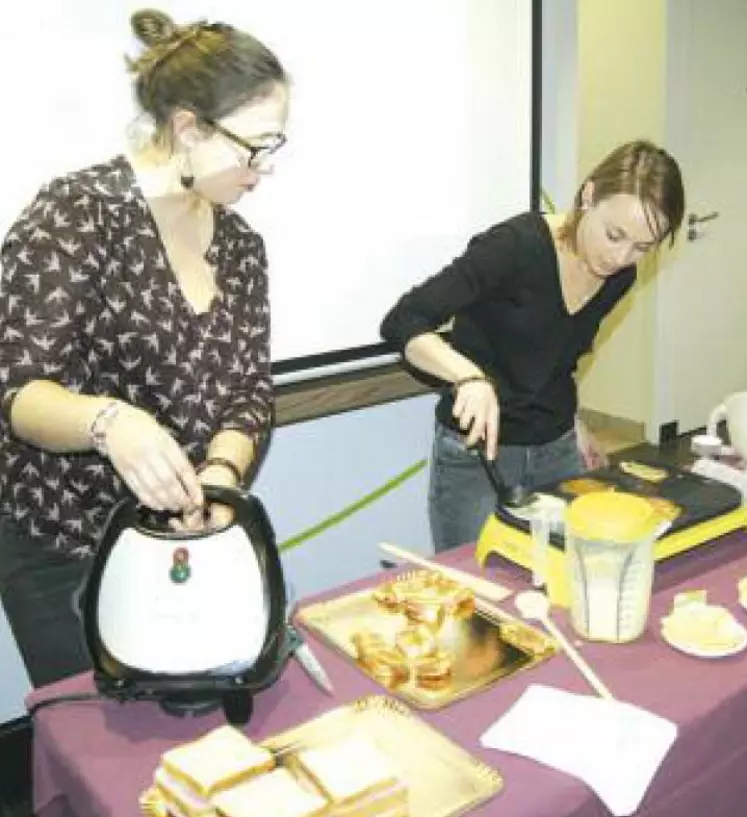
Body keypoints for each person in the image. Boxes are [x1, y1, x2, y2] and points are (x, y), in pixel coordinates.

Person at [0, 8, 289, 687]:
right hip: (61, 537)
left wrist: (221, 472)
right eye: (255, 147)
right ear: (188, 128)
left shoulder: (242, 246)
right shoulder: (79, 213)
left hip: (181, 532)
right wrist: (110, 422)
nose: (262, 170)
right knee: (96, 740)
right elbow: (16, 388)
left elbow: (250, 390)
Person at [381, 140, 685, 553]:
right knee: (477, 587)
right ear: (589, 195)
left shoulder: (620, 278)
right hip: (479, 453)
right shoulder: (514, 247)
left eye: (642, 248)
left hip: (556, 448)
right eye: (615, 235)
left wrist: (576, 424)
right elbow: (403, 320)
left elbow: (557, 357)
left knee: (559, 583)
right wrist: (468, 377)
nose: (620, 257)